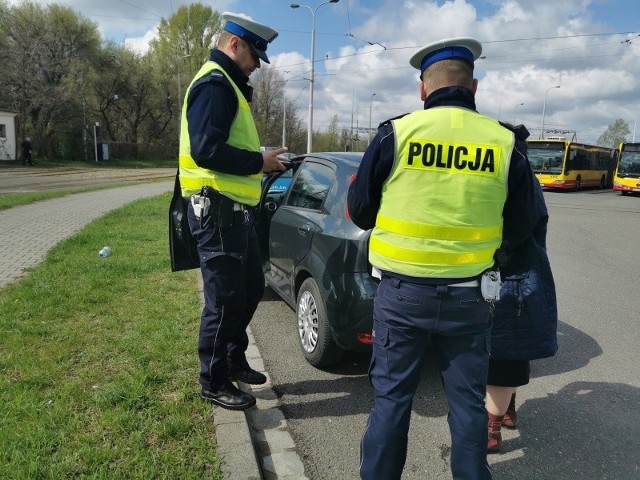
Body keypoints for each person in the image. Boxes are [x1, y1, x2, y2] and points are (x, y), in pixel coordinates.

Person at [347, 37, 539, 479]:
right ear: (474, 87)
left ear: (422, 89)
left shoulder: (395, 133)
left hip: (400, 296)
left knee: (392, 402)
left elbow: (360, 210)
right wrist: (491, 253)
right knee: (468, 405)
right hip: (470, 299)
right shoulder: (504, 142)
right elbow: (524, 220)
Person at [178, 12, 287, 411]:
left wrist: (260, 157)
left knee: (250, 291)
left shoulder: (228, 85)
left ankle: (233, 358)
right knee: (224, 301)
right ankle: (214, 380)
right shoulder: (214, 84)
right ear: (234, 44)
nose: (257, 65)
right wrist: (259, 163)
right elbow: (207, 150)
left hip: (234, 210)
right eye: (254, 55)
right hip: (217, 211)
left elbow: (221, 145)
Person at [486, 179, 558, 453]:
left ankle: (491, 429)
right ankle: (505, 410)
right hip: (521, 271)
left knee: (500, 351)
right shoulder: (521, 170)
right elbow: (537, 223)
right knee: (513, 346)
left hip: (505, 270)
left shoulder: (510, 166)